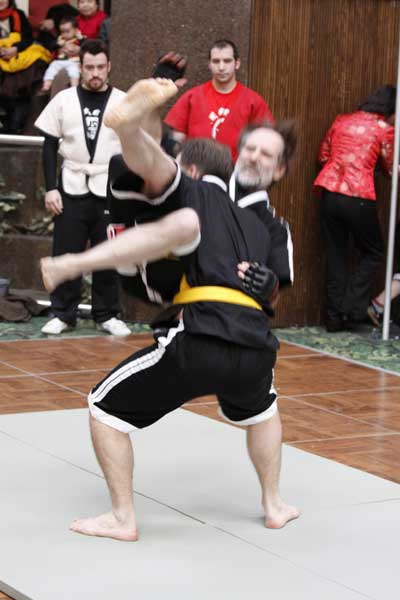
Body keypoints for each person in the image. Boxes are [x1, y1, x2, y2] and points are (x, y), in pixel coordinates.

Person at [40, 77, 300, 541]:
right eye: (250, 149)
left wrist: (270, 287)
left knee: (103, 408)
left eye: (267, 154)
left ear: (280, 170)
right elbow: (160, 168)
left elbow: (160, 169)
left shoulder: (254, 219)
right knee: (263, 409)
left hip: (202, 335)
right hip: (255, 347)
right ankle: (275, 504)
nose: (255, 157)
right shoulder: (235, 211)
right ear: (235, 154)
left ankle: (122, 518)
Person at [35, 39, 130, 337]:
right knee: (66, 250)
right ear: (81, 67)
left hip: (109, 186)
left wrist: (129, 193)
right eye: (89, 67)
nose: (95, 73)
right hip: (71, 183)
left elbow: (133, 148)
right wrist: (51, 188)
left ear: (109, 66)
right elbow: (49, 146)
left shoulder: (123, 101)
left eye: (100, 67)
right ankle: (64, 313)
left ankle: (106, 314)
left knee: (109, 252)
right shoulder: (63, 99)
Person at [313, 85, 396, 332]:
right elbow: (390, 168)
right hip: (359, 196)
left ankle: (333, 318)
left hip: (329, 192)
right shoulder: (384, 129)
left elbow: (323, 156)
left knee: (336, 254)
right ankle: (350, 308)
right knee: (374, 252)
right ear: (390, 109)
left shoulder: (342, 120)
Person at [164, 39, 274, 161]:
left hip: (236, 169)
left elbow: (265, 140)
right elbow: (177, 138)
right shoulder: (192, 97)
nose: (221, 67)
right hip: (195, 168)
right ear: (209, 64)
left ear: (237, 64)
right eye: (216, 61)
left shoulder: (253, 101)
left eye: (227, 61)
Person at [0, 0, 52, 133]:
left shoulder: (18, 14)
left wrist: (15, 49)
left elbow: (28, 38)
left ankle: (16, 125)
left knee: (28, 74)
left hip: (16, 55)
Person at [41, 16, 82, 93]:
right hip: (59, 61)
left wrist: (81, 39)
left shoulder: (78, 39)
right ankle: (46, 85)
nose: (65, 34)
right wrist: (58, 44)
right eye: (62, 32)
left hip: (73, 62)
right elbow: (52, 47)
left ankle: (74, 87)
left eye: (67, 31)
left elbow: (85, 46)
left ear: (76, 30)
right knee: (51, 68)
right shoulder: (60, 39)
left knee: (74, 71)